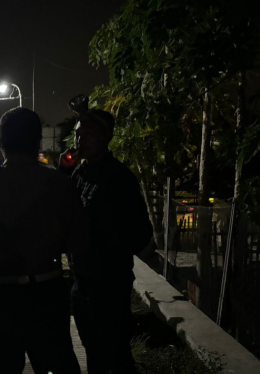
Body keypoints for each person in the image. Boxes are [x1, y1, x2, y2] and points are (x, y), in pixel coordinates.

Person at [0, 107, 87, 374]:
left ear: (0, 142)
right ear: (38, 141)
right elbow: (81, 246)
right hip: (48, 297)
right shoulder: (60, 185)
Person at [69, 110, 153, 374]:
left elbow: (141, 234)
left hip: (109, 288)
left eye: (87, 135)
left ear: (106, 137)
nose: (79, 141)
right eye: (77, 134)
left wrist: (106, 246)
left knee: (115, 355)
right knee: (94, 353)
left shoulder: (120, 179)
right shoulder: (79, 174)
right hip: (82, 284)